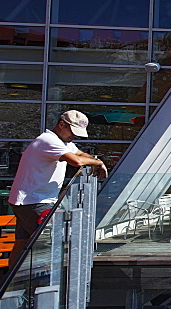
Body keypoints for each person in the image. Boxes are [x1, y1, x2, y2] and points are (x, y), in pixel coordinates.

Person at [8, 111, 107, 259]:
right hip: (36, 201)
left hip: (28, 200)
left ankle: (10, 277)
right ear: (61, 124)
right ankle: (37, 279)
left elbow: (80, 154)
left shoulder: (62, 142)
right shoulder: (48, 141)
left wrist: (96, 161)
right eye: (73, 132)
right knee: (49, 244)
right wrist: (98, 163)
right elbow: (77, 161)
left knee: (22, 243)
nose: (74, 136)